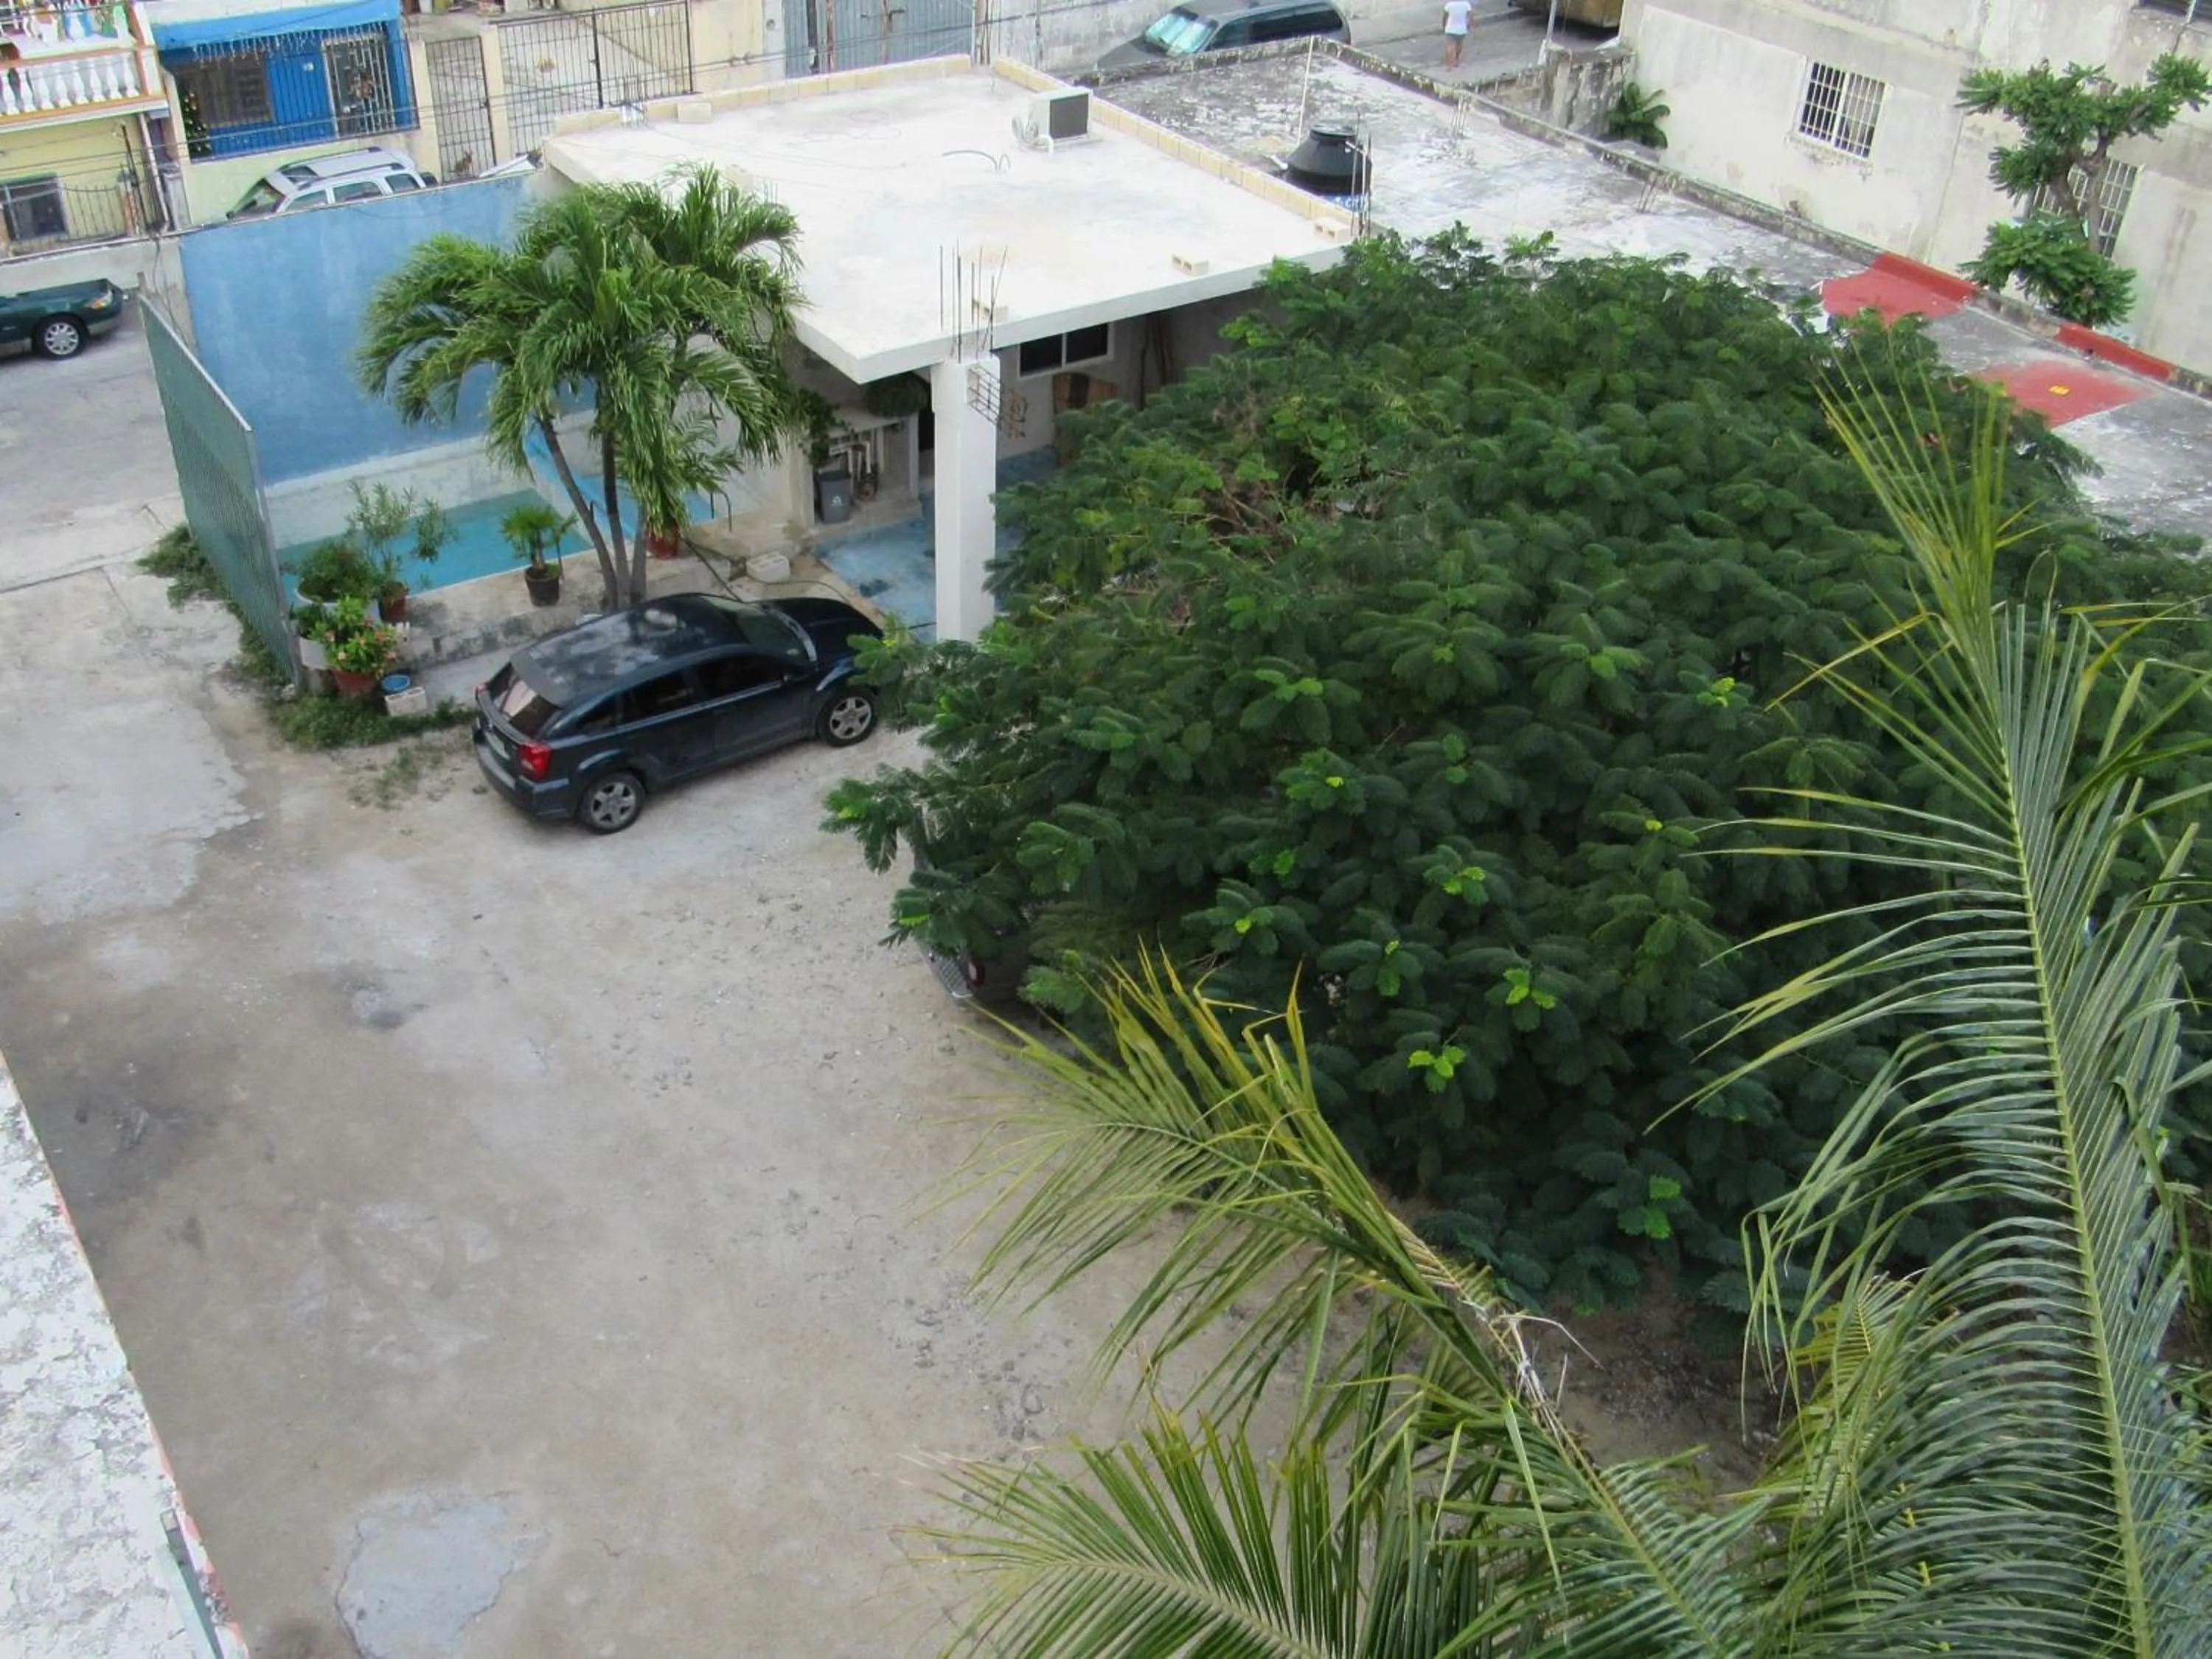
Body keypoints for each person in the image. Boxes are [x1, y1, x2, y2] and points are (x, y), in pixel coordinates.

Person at [1441, 0, 1472, 69]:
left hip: (1450, 28)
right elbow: (1470, 17)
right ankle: (1456, 60)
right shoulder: (1466, 4)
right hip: (1462, 29)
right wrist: (1469, 26)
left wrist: (1444, 25)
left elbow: (1445, 16)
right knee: (1459, 44)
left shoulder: (1449, 5)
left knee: (1450, 46)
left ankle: (1449, 64)